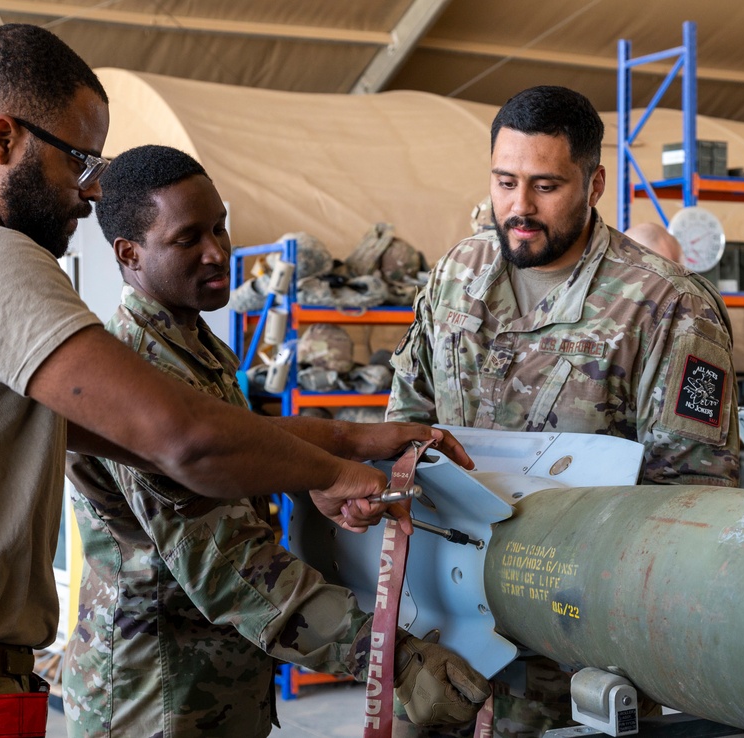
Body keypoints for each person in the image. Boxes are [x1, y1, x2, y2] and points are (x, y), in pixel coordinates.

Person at [0, 23, 474, 727]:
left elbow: (180, 442)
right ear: (2, 141)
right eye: (78, 161)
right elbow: (184, 443)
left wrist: (343, 448)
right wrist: (334, 478)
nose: (89, 193)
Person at [61, 145, 490, 737]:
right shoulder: (137, 374)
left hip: (218, 684)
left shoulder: (197, 349)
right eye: (189, 239)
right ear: (128, 253)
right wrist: (394, 659)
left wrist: (336, 450)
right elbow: (229, 566)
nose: (218, 252)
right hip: (159, 698)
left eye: (220, 227)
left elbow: (246, 446)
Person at [386, 86, 740, 737]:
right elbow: (404, 422)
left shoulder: (663, 306)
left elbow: (693, 502)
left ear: (594, 182)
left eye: (545, 186)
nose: (518, 208)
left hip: (573, 652)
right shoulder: (457, 273)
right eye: (504, 182)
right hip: (440, 628)